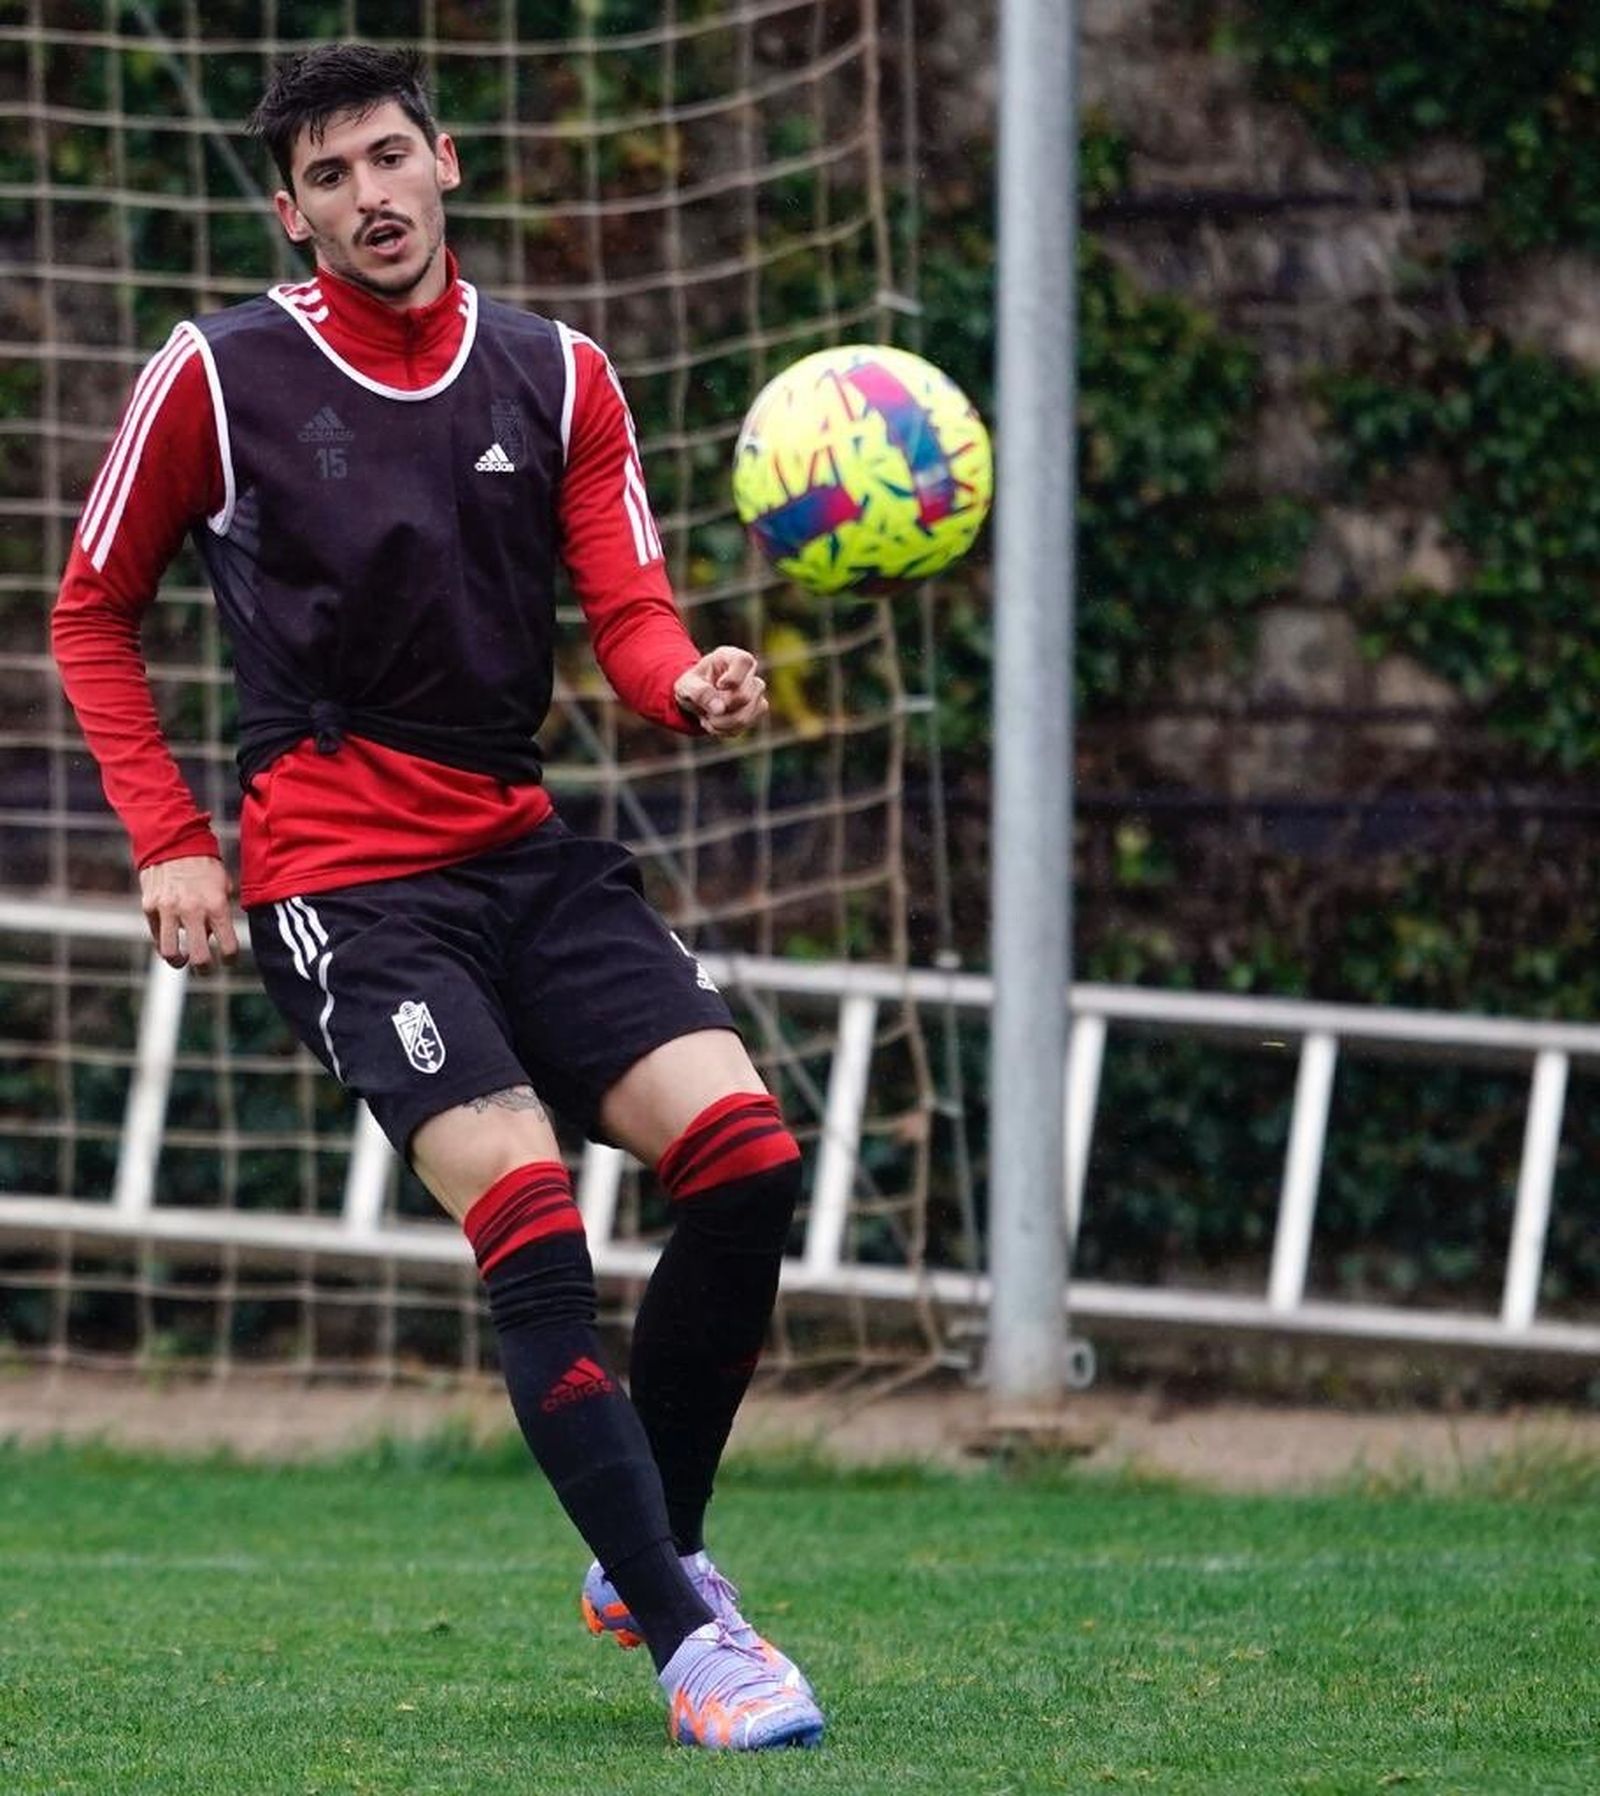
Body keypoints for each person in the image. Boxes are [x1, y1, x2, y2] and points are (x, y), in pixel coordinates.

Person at [52, 42, 824, 1753]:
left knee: (749, 1160)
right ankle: (697, 1649)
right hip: (343, 873)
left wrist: (680, 676)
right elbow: (89, 610)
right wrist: (175, 836)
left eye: (390, 158)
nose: (369, 197)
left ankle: (655, 1554)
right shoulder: (217, 374)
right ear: (291, 208)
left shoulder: (559, 372)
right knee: (527, 1200)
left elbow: (626, 606)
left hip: (523, 853)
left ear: (447, 162)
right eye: (329, 178)